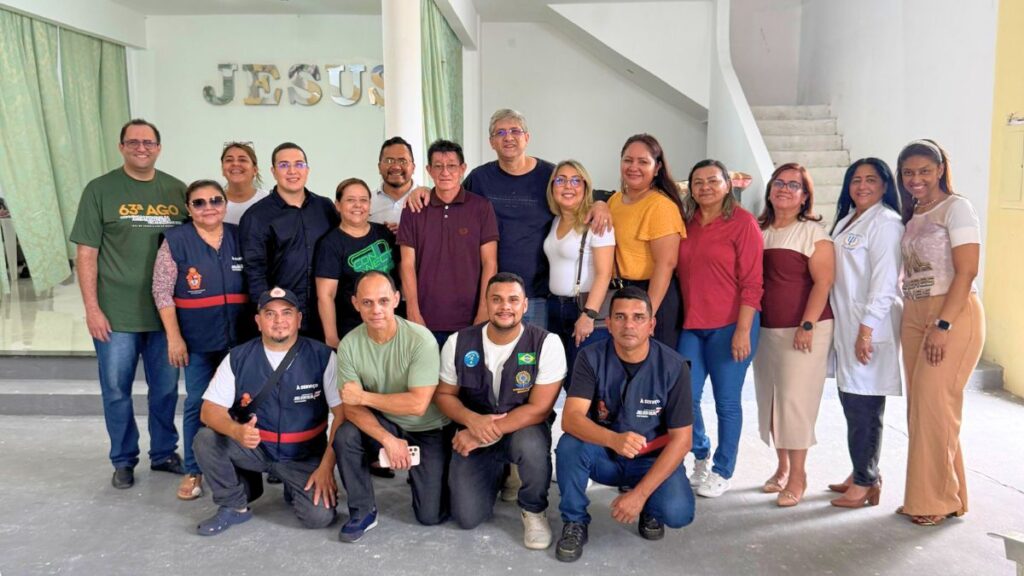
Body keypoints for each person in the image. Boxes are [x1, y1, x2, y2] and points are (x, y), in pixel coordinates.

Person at [406, 109, 613, 329]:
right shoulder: (480, 178)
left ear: (527, 137)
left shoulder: (549, 176)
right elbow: (451, 195)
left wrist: (600, 204)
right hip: (491, 293)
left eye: (515, 130)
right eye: (500, 132)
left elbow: (575, 195)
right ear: (491, 142)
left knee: (532, 361)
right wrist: (424, 190)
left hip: (536, 295)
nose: (508, 137)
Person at [70, 118, 188, 489]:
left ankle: (164, 452)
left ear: (158, 147)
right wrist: (92, 308)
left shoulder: (175, 190)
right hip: (115, 315)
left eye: (148, 142)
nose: (141, 148)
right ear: (121, 147)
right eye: (133, 142)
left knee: (167, 389)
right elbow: (86, 254)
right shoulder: (100, 190)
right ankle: (122, 459)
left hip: (164, 315)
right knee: (117, 390)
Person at [554, 286, 695, 563]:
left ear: (652, 325)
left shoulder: (674, 366)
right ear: (608, 323)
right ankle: (574, 521)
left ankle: (650, 507)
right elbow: (571, 419)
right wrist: (612, 440)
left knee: (678, 513)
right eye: (619, 317)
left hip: (650, 460)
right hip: (604, 456)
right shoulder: (590, 357)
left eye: (638, 317)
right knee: (569, 446)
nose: (629, 324)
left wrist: (640, 496)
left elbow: (683, 440)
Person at [192, 287, 341, 535]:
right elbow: (209, 411)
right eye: (270, 314)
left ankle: (293, 486)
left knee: (319, 517)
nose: (279, 321)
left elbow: (342, 414)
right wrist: (236, 431)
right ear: (258, 321)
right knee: (206, 439)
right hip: (255, 450)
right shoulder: (237, 357)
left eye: (286, 313)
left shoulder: (323, 357)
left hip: (302, 456)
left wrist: (326, 467)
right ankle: (234, 505)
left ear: (299, 319)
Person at [434, 273, 566, 549]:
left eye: (513, 300)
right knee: (467, 517)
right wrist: (472, 421)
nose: (505, 306)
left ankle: (533, 509)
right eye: (497, 299)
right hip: (473, 428)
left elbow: (539, 409)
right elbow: (444, 395)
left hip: (521, 430)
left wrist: (482, 432)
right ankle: (502, 471)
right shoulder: (459, 342)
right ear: (486, 303)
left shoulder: (547, 343)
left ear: (525, 305)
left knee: (530, 444)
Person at [895, 139, 985, 526]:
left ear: (940, 169)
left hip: (952, 313)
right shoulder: (913, 212)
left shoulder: (957, 207)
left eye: (924, 171)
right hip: (914, 313)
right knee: (925, 411)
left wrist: (943, 325)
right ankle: (946, 494)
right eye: (909, 173)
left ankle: (934, 499)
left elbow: (966, 270)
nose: (916, 179)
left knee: (935, 405)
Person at [333, 271, 452, 542]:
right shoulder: (349, 344)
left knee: (430, 516)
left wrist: (363, 397)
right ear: (355, 303)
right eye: (367, 302)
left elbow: (418, 404)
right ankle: (362, 510)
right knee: (346, 435)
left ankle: (428, 477)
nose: (376, 310)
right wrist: (388, 439)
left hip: (429, 429)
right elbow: (350, 408)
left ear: (397, 300)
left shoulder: (420, 339)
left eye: (383, 301)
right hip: (386, 423)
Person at [152, 180, 248, 500]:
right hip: (197, 342)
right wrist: (174, 338)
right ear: (188, 208)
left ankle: (239, 464)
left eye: (215, 200)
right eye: (199, 202)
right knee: (198, 403)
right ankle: (194, 469)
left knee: (240, 403)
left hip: (239, 340)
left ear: (224, 204)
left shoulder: (239, 236)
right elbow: (162, 292)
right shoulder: (175, 241)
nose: (208, 207)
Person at [676, 159, 764, 498]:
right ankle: (701, 452)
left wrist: (743, 330)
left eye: (713, 181)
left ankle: (723, 469)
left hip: (732, 325)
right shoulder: (687, 222)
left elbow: (753, 283)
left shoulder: (743, 223)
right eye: (698, 182)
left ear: (728, 184)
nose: (705, 187)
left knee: (727, 402)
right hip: (692, 325)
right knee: (685, 396)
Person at [753, 162, 835, 508]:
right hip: (766, 329)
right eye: (779, 183)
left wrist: (807, 325)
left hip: (803, 330)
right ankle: (782, 467)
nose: (784, 189)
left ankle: (799, 476)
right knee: (771, 401)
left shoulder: (812, 233)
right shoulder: (758, 229)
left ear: (805, 197)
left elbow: (824, 282)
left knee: (795, 403)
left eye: (793, 185)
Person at [827, 158, 904, 509]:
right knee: (851, 403)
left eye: (871, 180)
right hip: (847, 327)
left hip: (867, 328)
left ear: (885, 185)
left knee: (864, 408)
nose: (862, 186)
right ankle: (862, 469)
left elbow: (885, 282)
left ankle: (866, 481)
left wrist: (867, 330)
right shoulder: (849, 219)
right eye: (855, 180)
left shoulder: (886, 223)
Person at [397, 139, 499, 346]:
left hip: (470, 319)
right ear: (429, 170)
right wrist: (413, 311)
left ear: (462, 169)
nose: (445, 172)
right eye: (438, 166)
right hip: (425, 320)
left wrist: (484, 311)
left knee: (467, 378)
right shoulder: (413, 209)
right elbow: (406, 264)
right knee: (427, 379)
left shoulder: (481, 208)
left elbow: (490, 263)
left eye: (451, 165)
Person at [239, 141, 340, 339]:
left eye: (299, 164)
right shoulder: (256, 216)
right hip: (283, 319)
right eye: (284, 165)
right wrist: (269, 315)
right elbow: (254, 273)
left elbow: (343, 245)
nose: (292, 171)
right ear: (273, 171)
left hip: (326, 315)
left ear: (308, 169)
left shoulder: (325, 207)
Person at [607, 134, 686, 349]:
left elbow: (666, 264)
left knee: (654, 370)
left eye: (643, 162)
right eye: (628, 160)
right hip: (624, 295)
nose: (634, 167)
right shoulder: (616, 200)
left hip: (652, 296)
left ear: (657, 167)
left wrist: (647, 315)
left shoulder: (660, 205)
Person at [543, 160, 615, 391]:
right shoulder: (555, 220)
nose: (568, 186)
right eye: (561, 180)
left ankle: (589, 427)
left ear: (585, 187)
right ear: (552, 186)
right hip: (555, 307)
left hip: (582, 307)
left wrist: (589, 315)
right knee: (562, 378)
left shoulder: (597, 222)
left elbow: (605, 273)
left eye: (576, 180)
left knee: (584, 382)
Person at [315, 178, 399, 348]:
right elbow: (326, 295)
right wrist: (332, 338)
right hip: (353, 331)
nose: (357, 205)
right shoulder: (330, 244)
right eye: (350, 200)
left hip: (391, 328)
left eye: (363, 200)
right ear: (337, 205)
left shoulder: (385, 233)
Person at [369, 136, 416, 233]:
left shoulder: (427, 199)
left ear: (413, 167)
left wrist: (408, 235)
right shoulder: (366, 201)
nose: (396, 167)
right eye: (389, 161)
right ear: (379, 167)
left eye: (403, 161)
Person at [221, 141, 269, 225]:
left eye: (242, 160)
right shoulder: (212, 204)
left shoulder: (268, 200)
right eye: (229, 160)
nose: (235, 163)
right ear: (223, 170)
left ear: (255, 170)